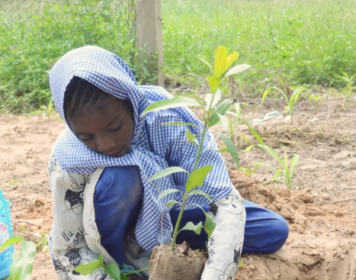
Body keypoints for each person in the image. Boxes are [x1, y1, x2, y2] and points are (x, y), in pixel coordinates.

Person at [47, 46, 289, 280]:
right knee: (121, 177)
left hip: (170, 214)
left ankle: (153, 243)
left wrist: (216, 274)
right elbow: (68, 248)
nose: (106, 145)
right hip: (108, 232)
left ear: (131, 102)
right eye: (86, 137)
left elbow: (223, 200)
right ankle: (125, 262)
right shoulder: (69, 155)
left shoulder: (169, 120)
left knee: (271, 230)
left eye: (115, 127)